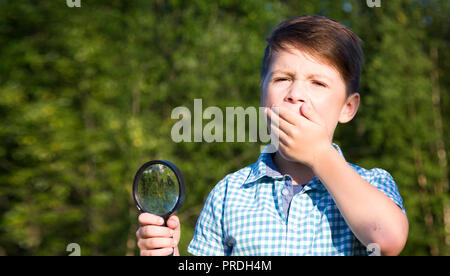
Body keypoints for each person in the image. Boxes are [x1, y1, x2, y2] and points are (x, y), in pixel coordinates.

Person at [136, 15, 409, 256]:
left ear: (348, 108)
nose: (295, 94)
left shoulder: (373, 183)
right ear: (263, 94)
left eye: (318, 83)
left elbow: (387, 239)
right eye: (282, 79)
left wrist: (319, 154)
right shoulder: (229, 194)